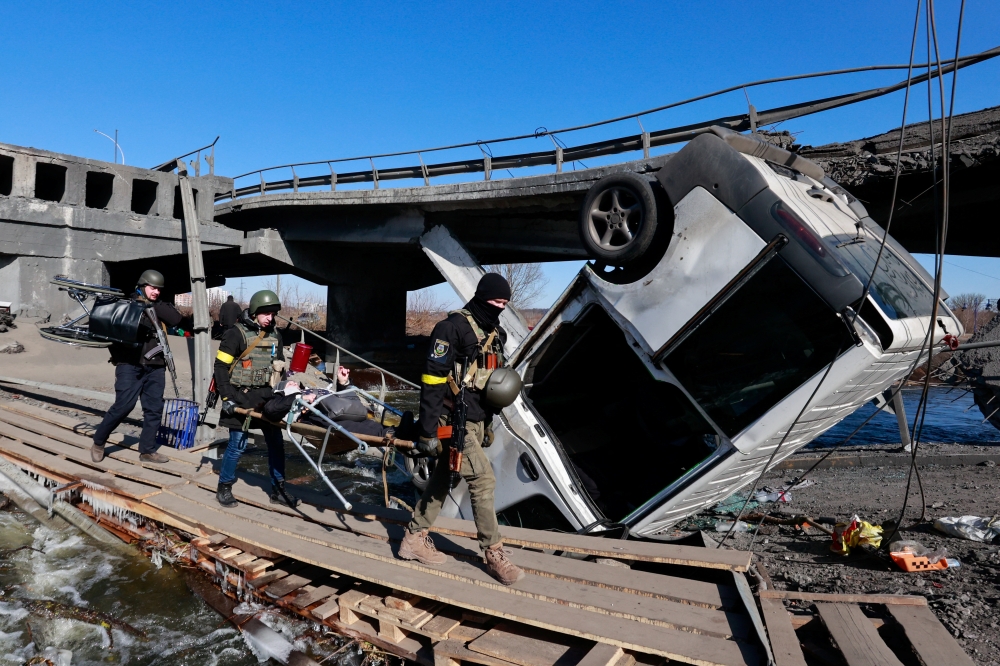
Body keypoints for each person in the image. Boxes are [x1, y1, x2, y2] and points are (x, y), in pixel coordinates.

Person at [397, 273, 525, 585]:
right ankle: (494, 553)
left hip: (476, 419)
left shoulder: (492, 331)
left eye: (505, 304)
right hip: (450, 420)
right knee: (483, 480)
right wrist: (427, 431)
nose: (500, 308)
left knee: (444, 478)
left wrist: (489, 423)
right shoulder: (449, 328)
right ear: (482, 297)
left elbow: (490, 383)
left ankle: (413, 538)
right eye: (496, 302)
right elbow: (432, 381)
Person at [214, 290, 298, 509]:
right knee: (237, 445)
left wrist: (285, 390)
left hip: (267, 396)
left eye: (273, 313)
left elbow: (279, 368)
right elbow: (220, 367)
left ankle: (278, 491)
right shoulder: (235, 334)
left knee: (276, 444)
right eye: (266, 313)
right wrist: (227, 398)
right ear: (254, 313)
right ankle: (224, 487)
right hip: (240, 397)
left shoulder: (276, 335)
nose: (270, 317)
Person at [91, 270, 182, 464]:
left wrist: (153, 303)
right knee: (123, 406)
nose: (156, 292)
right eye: (152, 288)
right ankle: (99, 442)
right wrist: (141, 307)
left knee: (154, 409)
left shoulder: (158, 306)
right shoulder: (127, 305)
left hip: (156, 365)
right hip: (129, 364)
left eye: (158, 289)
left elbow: (175, 320)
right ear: (142, 287)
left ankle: (147, 450)